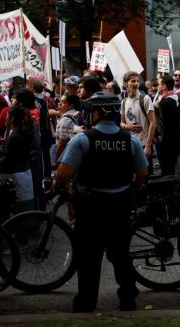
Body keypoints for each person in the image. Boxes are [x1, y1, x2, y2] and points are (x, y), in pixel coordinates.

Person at [54, 92, 148, 312]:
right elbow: (142, 173)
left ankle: (86, 303)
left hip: (90, 208)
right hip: (120, 206)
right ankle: (127, 298)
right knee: (121, 254)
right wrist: (130, 189)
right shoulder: (130, 140)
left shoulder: (82, 139)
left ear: (96, 113)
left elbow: (64, 173)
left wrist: (57, 184)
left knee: (88, 259)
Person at [120, 72, 156, 170]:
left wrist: (148, 146)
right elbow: (121, 122)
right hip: (130, 144)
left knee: (146, 175)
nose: (136, 83)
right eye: (133, 81)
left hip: (143, 145)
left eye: (137, 81)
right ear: (125, 84)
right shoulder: (124, 102)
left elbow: (153, 123)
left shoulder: (145, 99)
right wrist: (128, 127)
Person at [153, 75, 180, 175]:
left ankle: (170, 189)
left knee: (167, 170)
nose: (157, 87)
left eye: (159, 84)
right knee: (174, 168)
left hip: (166, 143)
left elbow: (158, 123)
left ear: (164, 86)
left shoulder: (164, 103)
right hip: (178, 140)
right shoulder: (179, 99)